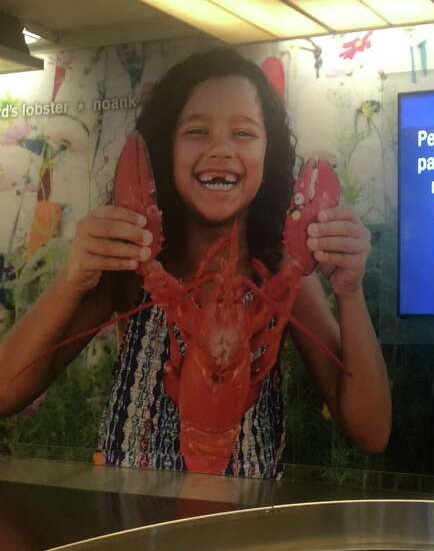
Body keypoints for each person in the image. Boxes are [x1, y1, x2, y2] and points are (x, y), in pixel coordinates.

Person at [0, 48, 391, 478]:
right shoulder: (129, 265)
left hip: (241, 514)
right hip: (130, 508)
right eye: (197, 131)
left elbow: (371, 433)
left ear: (269, 152)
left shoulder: (282, 273)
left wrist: (350, 293)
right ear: (166, 147)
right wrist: (73, 278)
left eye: (243, 133)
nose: (221, 149)